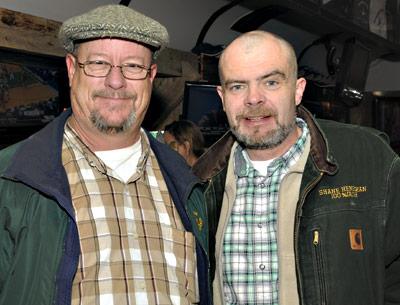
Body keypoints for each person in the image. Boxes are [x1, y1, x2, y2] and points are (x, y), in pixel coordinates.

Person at [0, 5, 210, 305]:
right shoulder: (12, 180)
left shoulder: (186, 184)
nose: (115, 81)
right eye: (98, 63)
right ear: (72, 70)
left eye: (133, 67)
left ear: (151, 76)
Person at [193, 30, 400, 305]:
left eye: (271, 82)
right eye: (238, 86)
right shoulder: (198, 184)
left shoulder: (369, 160)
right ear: (222, 97)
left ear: (298, 89)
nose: (254, 99)